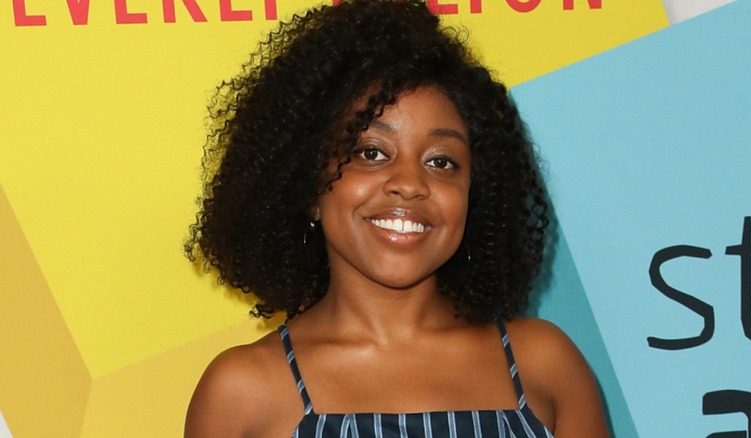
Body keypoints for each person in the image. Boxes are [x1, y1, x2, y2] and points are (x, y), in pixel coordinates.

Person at [183, 0, 609, 436]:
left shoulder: (544, 364)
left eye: (441, 161)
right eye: (371, 153)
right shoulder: (242, 391)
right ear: (307, 185)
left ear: (473, 195)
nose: (409, 183)